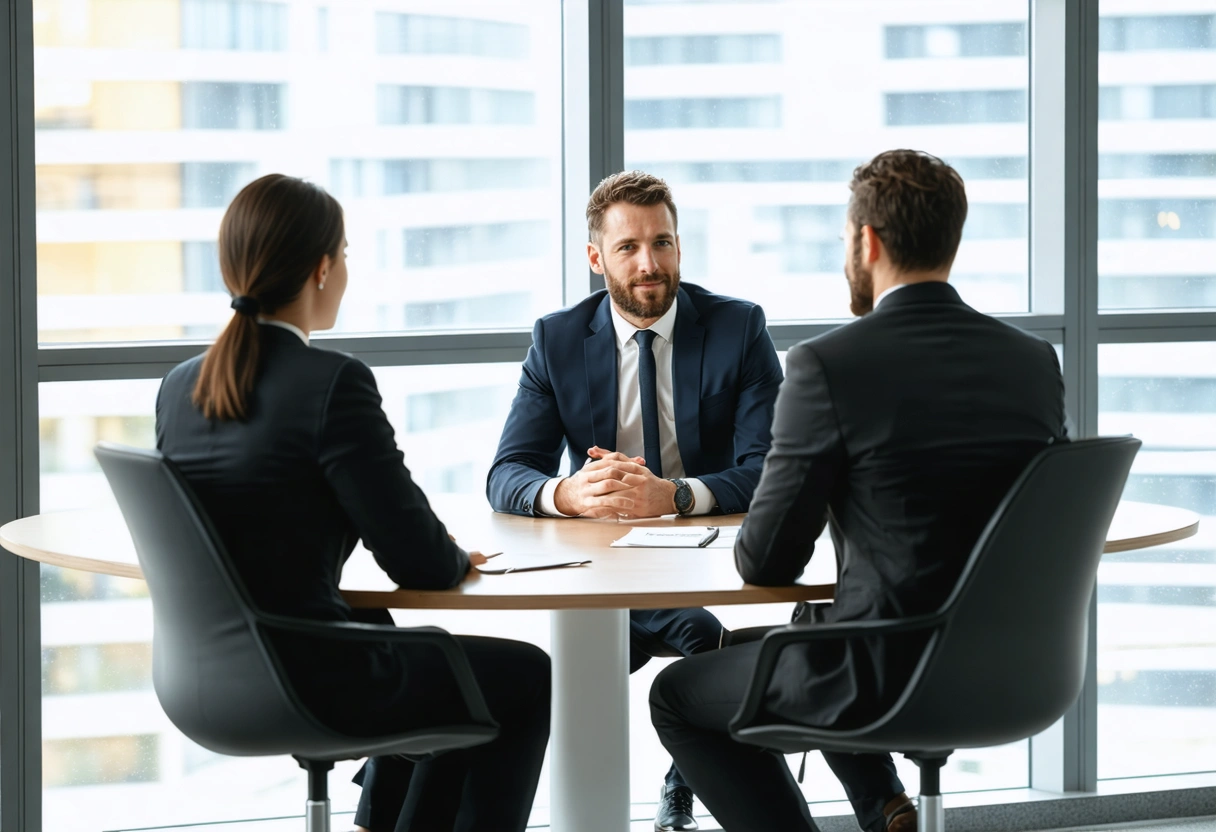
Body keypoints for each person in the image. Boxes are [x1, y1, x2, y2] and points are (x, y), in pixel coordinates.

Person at [648, 149, 1069, 832]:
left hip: (883, 673)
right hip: (1021, 667)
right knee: (763, 646)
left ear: (866, 241)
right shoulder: (1032, 362)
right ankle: (883, 808)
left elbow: (767, 562)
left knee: (676, 696)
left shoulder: (827, 365)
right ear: (950, 241)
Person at [155, 174, 550, 832]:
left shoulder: (179, 388)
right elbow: (417, 563)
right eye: (345, 254)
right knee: (521, 675)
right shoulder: (331, 382)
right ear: (322, 267)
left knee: (421, 657)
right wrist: (454, 559)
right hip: (308, 679)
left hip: (199, 679)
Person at [486, 170, 784, 831]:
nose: (649, 264)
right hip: (601, 569)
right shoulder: (558, 339)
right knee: (682, 645)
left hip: (702, 560)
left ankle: (683, 790)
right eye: (628, 247)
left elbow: (768, 469)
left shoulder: (739, 328)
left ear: (680, 246)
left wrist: (672, 496)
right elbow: (507, 472)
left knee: (707, 637)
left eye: (663, 242)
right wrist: (567, 493)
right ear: (596, 258)